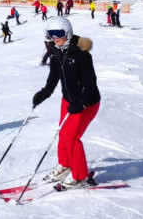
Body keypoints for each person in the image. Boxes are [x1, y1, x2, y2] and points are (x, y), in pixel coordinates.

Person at [32, 16, 101, 190]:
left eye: (59, 34)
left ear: (68, 34)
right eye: (51, 34)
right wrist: (44, 93)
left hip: (87, 102)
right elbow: (53, 80)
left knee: (72, 138)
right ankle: (65, 165)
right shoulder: (56, 54)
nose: (55, 38)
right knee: (63, 134)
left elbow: (91, 83)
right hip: (68, 101)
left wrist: (82, 103)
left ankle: (80, 176)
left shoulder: (82, 55)